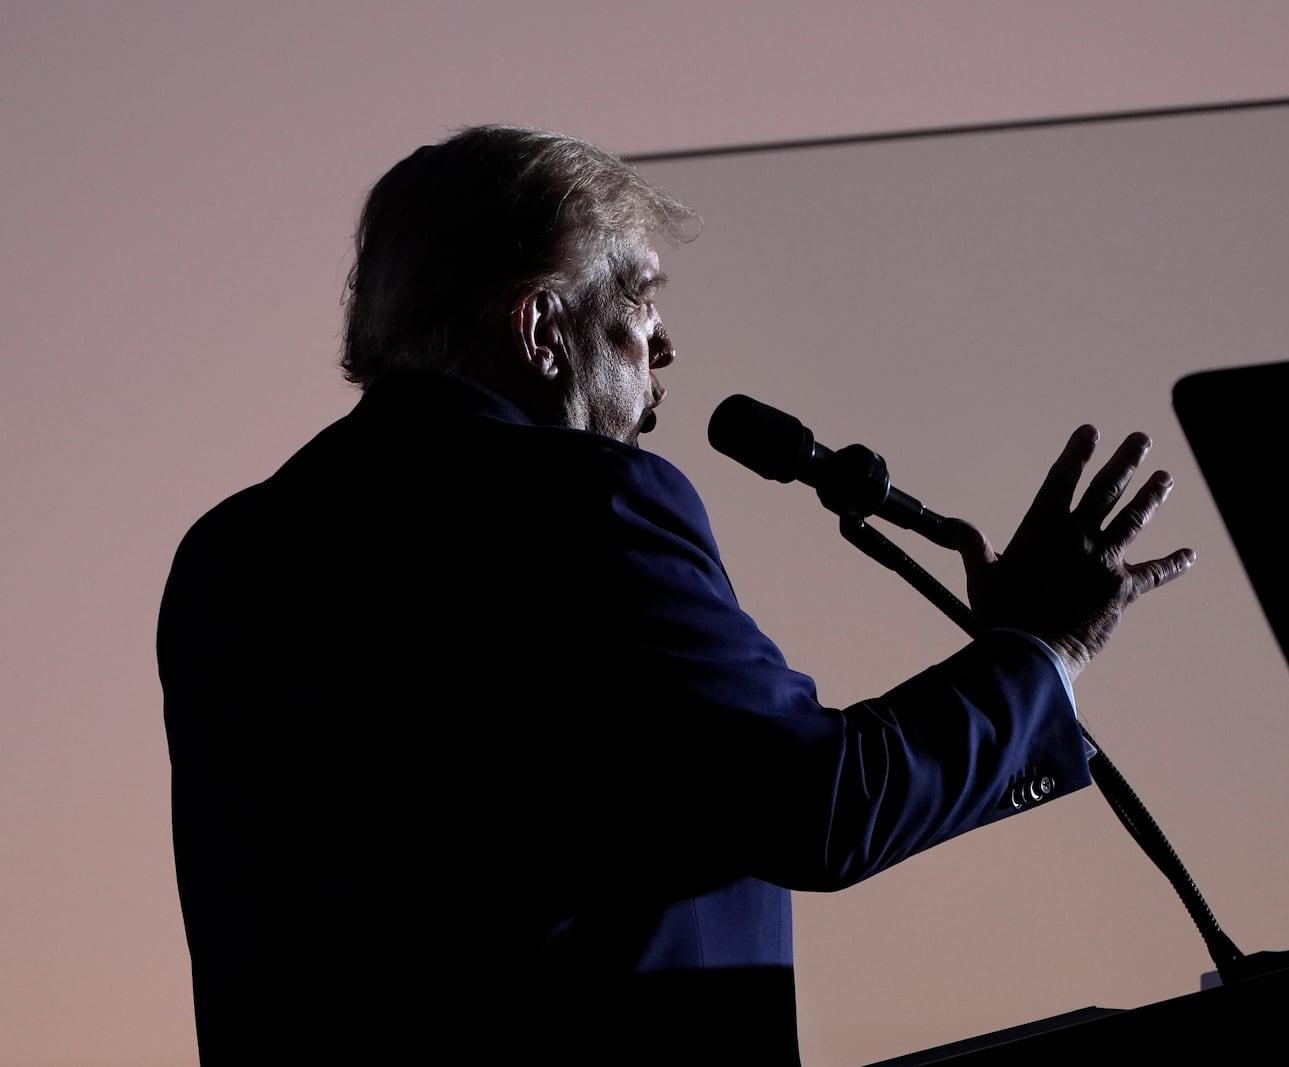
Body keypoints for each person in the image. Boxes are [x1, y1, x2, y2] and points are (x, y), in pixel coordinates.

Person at [157, 125, 1194, 1064]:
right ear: (540, 329)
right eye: (641, 300)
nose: (663, 347)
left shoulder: (226, 557)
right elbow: (818, 805)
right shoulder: (576, 501)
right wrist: (1038, 648)